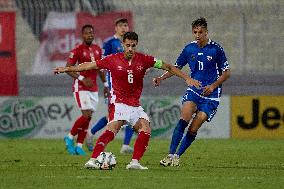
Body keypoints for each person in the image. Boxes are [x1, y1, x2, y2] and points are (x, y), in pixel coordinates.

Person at [54, 31, 200, 169]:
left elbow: (168, 66)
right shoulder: (112, 59)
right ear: (123, 44)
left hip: (135, 105)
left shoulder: (144, 60)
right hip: (119, 104)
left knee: (145, 128)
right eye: (128, 45)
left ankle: (134, 162)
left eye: (133, 45)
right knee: (112, 130)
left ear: (136, 45)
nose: (130, 48)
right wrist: (67, 69)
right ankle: (92, 160)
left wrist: (187, 78)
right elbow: (89, 65)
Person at [154, 17, 231, 167]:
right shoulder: (189, 48)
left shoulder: (216, 49)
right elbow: (176, 67)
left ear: (206, 32)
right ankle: (170, 155)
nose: (197, 35)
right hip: (194, 90)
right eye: (195, 32)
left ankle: (177, 155)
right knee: (184, 117)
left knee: (194, 127)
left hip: (211, 95)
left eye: (200, 32)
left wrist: (214, 86)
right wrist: (162, 78)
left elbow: (226, 73)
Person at [86, 18, 135, 154]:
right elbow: (101, 64)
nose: (123, 28)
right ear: (115, 28)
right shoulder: (109, 43)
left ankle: (124, 145)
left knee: (129, 114)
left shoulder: (129, 44)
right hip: (114, 85)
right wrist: (106, 84)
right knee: (115, 116)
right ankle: (92, 133)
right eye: (120, 25)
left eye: (125, 25)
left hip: (128, 85)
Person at [63, 24, 108, 156]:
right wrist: (82, 78)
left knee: (88, 118)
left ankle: (79, 146)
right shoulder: (77, 50)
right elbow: (68, 68)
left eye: (91, 33)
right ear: (82, 35)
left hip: (93, 88)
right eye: (87, 33)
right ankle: (70, 137)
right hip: (81, 87)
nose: (90, 35)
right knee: (86, 115)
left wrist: (105, 85)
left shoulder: (97, 49)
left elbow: (99, 68)